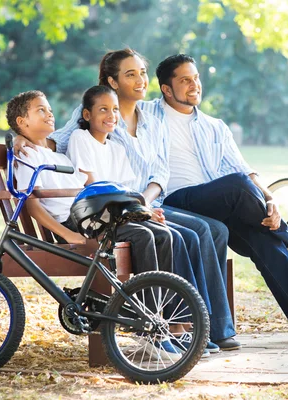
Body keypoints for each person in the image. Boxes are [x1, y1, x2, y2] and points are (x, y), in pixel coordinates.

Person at [145, 54, 288, 341]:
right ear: (166, 88)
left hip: (215, 204)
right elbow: (88, 116)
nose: (194, 85)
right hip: (174, 202)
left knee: (265, 240)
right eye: (185, 80)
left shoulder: (214, 127)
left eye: (196, 78)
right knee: (239, 189)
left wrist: (270, 199)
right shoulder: (147, 114)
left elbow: (245, 170)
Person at [53, 50, 238, 352]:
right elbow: (59, 139)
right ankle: (183, 326)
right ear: (112, 81)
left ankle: (212, 327)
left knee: (214, 229)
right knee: (191, 234)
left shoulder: (152, 118)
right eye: (130, 74)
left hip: (147, 201)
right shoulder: (98, 113)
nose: (140, 80)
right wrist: (25, 140)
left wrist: (146, 201)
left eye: (142, 72)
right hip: (119, 209)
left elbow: (161, 168)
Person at [6, 90, 184, 360]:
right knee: (143, 237)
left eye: (49, 108)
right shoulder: (27, 155)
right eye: (40, 110)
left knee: (162, 234)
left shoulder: (58, 155)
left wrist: (140, 210)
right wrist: (69, 235)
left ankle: (158, 315)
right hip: (75, 222)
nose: (50, 113)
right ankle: (149, 329)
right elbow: (31, 204)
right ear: (22, 122)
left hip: (91, 215)